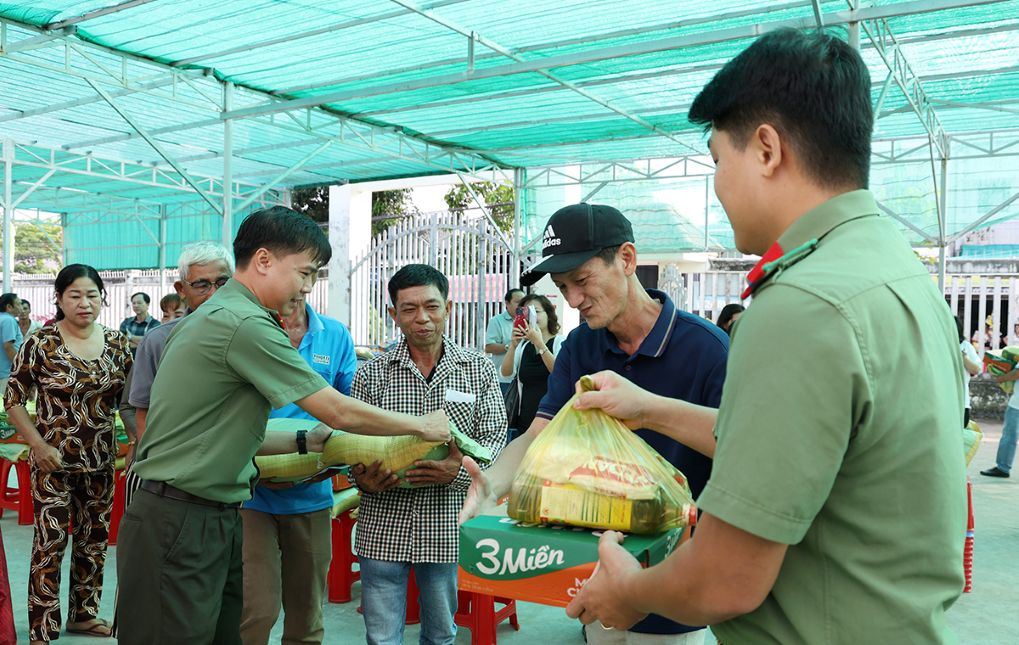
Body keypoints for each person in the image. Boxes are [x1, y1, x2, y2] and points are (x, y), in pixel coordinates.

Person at [559, 29, 967, 644]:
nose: (718, 186)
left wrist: (627, 592)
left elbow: (725, 578)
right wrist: (648, 408)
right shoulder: (893, 270)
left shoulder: (801, 304)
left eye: (718, 160)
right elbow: (803, 450)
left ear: (768, 150)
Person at [116, 206, 450, 644]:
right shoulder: (245, 323)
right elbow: (338, 409)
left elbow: (231, 428)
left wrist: (309, 439)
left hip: (204, 512)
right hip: (180, 516)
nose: (308, 287)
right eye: (306, 272)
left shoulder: (221, 317)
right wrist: (421, 426)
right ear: (264, 260)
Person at [463, 203, 729, 645]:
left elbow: (744, 449)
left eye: (582, 281)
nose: (572, 300)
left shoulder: (705, 350)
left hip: (672, 577)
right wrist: (493, 483)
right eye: (562, 286)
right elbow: (538, 434)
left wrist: (650, 409)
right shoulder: (580, 347)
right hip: (591, 567)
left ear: (626, 259)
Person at [350, 263, 506, 645]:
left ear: (448, 308)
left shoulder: (477, 370)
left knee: (440, 634)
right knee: (381, 636)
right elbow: (351, 440)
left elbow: (495, 436)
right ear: (394, 315)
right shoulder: (372, 375)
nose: (422, 318)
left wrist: (458, 470)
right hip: (383, 524)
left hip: (446, 524)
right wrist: (361, 478)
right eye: (409, 309)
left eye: (432, 306)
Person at [3, 265, 133, 643]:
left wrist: (134, 442)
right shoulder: (41, 342)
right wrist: (38, 445)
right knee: (51, 541)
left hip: (101, 460)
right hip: (51, 462)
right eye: (75, 295)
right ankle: (43, 625)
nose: (84, 303)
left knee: (94, 539)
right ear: (58, 299)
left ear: (102, 299)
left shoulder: (118, 344)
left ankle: (84, 614)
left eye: (92, 295)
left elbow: (130, 401)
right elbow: (13, 398)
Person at [239, 296, 358, 645]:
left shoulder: (334, 335)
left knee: (307, 615)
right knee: (254, 611)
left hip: (311, 496)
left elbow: (348, 408)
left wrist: (332, 466)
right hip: (249, 496)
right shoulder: (251, 332)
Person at [122, 241, 235, 505]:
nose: (214, 293)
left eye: (222, 283)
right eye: (201, 285)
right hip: (164, 475)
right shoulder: (158, 340)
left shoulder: (247, 334)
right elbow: (143, 412)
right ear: (181, 290)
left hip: (222, 475)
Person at [500, 293, 564, 439]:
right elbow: (506, 373)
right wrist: (513, 346)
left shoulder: (560, 342)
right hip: (526, 421)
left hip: (554, 421)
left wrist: (540, 344)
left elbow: (559, 373)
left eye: (537, 311)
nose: (533, 316)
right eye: (527, 313)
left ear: (549, 314)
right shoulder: (523, 347)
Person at [484, 288, 524, 395]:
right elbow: (489, 347)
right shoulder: (496, 321)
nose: (521, 306)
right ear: (507, 303)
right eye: (517, 302)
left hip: (523, 378)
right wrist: (510, 346)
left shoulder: (528, 321)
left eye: (523, 302)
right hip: (503, 379)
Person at [956, 315, 981, 428]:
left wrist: (964, 358)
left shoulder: (965, 346)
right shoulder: (937, 344)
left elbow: (976, 369)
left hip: (961, 400)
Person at [0, 294, 24, 393]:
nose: (21, 307)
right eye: (18, 304)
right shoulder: (9, 320)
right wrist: (19, 368)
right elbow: (8, 346)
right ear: (9, 307)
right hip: (6, 374)